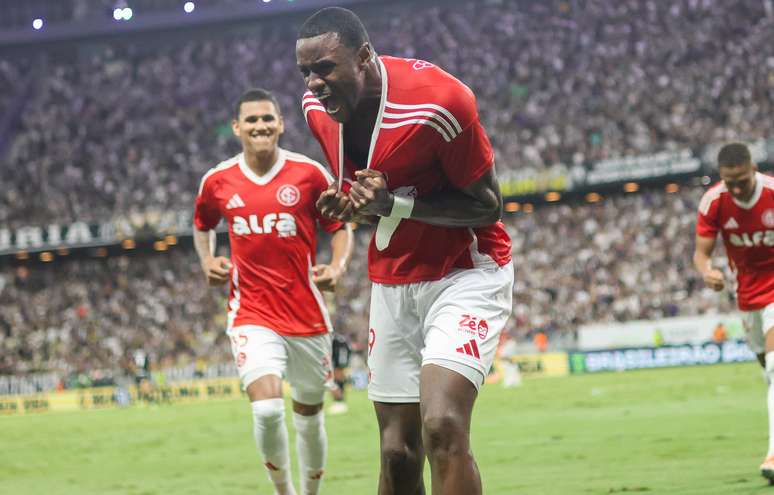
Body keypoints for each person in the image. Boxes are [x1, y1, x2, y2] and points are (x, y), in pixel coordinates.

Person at [296, 8, 514, 495]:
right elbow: (372, 194)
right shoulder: (318, 111)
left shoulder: (440, 103)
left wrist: (391, 203)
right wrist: (352, 205)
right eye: (306, 73)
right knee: (396, 453)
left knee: (442, 426)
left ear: (365, 56)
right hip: (393, 278)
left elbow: (487, 207)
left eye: (325, 68)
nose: (314, 83)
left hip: (465, 272)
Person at [193, 88, 353, 495]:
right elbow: (202, 224)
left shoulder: (309, 174)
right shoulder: (217, 181)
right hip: (251, 312)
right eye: (251, 120)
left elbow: (340, 227)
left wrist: (336, 267)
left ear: (281, 124)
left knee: (309, 415)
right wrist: (208, 261)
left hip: (307, 315)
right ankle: (285, 492)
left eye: (268, 119)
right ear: (236, 127)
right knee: (266, 409)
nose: (260, 126)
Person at [693, 142, 774, 480]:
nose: (737, 188)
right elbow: (701, 254)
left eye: (742, 180)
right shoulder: (713, 201)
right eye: (730, 182)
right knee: (765, 366)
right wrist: (707, 271)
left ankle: (773, 455)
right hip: (747, 294)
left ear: (753, 168)